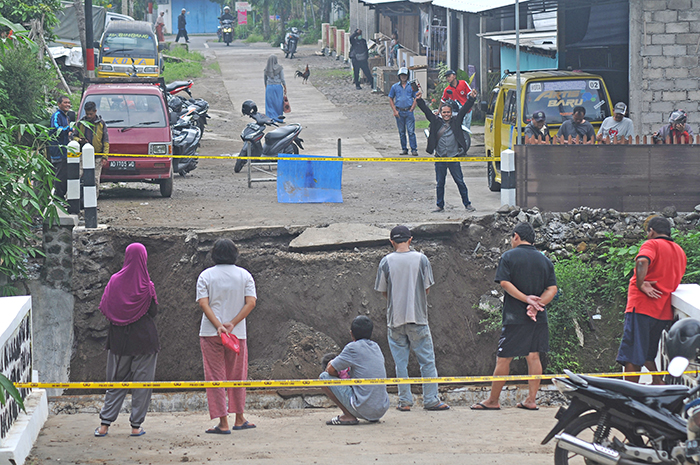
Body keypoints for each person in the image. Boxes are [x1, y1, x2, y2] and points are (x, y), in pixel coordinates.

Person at [472, 222, 557, 411]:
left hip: (515, 317)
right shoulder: (544, 260)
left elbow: (504, 283)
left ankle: (493, 400)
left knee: (504, 358)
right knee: (534, 356)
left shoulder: (509, 256)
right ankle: (531, 400)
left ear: (516, 236)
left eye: (512, 238)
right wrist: (538, 305)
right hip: (538, 317)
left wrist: (527, 300)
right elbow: (552, 288)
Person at [374, 225, 450, 412]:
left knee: (400, 363)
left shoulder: (385, 262)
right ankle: (431, 399)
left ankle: (405, 401)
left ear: (391, 241)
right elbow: (426, 289)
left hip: (395, 320)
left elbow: (383, 291)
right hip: (418, 318)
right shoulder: (421, 260)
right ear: (410, 239)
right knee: (427, 361)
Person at [95, 243, 159, 437]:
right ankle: (136, 426)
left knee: (115, 382)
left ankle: (104, 425)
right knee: (142, 385)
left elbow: (105, 307)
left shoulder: (114, 281)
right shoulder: (147, 285)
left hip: (119, 341)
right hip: (145, 342)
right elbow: (154, 311)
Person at [616, 216, 687, 384]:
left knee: (632, 355)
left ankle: (630, 396)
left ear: (652, 231)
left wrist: (641, 284)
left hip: (642, 308)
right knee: (647, 353)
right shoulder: (679, 252)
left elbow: (642, 261)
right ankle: (657, 381)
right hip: (662, 313)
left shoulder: (652, 244)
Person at [197, 238, 257, 433]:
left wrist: (218, 326)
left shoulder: (205, 276)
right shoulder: (244, 275)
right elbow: (251, 303)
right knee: (237, 375)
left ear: (214, 254)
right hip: (237, 333)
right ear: (235, 254)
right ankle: (239, 418)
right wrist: (232, 323)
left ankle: (223, 423)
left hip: (210, 332)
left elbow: (203, 303)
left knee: (215, 377)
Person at [320, 316, 390, 425]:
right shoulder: (376, 347)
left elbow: (330, 369)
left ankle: (348, 415)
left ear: (351, 333)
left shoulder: (352, 348)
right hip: (381, 409)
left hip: (364, 408)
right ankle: (370, 415)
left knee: (323, 378)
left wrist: (339, 379)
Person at [416, 88, 477, 213]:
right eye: (444, 112)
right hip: (440, 158)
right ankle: (439, 205)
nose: (446, 114)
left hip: (454, 157)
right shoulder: (435, 122)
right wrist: (419, 100)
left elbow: (464, 110)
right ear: (440, 113)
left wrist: (471, 98)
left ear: (451, 113)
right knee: (440, 183)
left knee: (460, 182)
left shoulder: (456, 121)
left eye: (448, 112)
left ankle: (467, 204)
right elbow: (426, 111)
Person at [74, 101, 109, 197]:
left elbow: (106, 141)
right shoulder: (80, 123)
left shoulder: (101, 124)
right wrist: (79, 140)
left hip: (97, 155)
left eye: (91, 114)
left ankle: (94, 199)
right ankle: (72, 197)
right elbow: (73, 136)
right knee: (77, 175)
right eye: (87, 114)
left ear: (95, 111)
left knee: (95, 178)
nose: (89, 116)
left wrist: (105, 156)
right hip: (83, 155)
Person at [48, 95, 73, 199]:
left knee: (65, 174)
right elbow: (56, 130)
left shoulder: (66, 117)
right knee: (59, 175)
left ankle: (61, 196)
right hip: (58, 151)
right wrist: (69, 128)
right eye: (65, 102)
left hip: (65, 151)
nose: (68, 104)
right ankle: (58, 197)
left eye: (69, 103)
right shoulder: (56, 115)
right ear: (59, 104)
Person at [388, 67, 418, 156]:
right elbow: (390, 98)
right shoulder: (395, 87)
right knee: (401, 132)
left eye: (405, 75)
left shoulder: (412, 86)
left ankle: (414, 149)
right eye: (402, 75)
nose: (403, 77)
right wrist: (394, 110)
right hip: (399, 111)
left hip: (409, 111)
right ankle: (404, 148)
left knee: (411, 131)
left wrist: (412, 108)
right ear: (399, 76)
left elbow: (417, 96)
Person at [263, 55, 286, 123]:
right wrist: (285, 87)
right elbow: (282, 79)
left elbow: (265, 80)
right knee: (278, 103)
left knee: (269, 104)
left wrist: (266, 87)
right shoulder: (280, 68)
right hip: (278, 87)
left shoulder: (266, 69)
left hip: (269, 87)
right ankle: (279, 118)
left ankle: (270, 118)